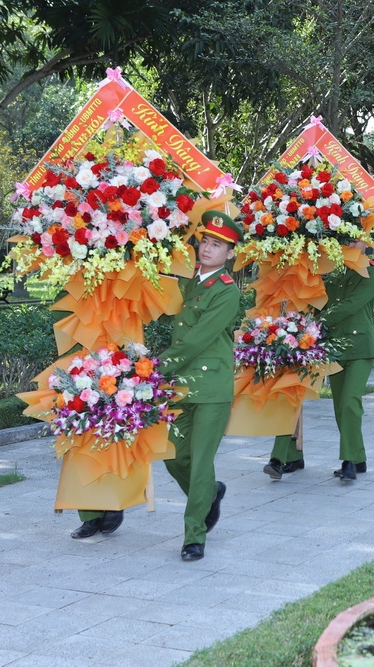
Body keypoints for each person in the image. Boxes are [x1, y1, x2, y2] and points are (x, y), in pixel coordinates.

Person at [157, 210, 241, 561]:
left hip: (211, 385)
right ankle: (209, 494)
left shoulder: (227, 291)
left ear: (230, 253)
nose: (207, 248)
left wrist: (156, 368)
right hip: (181, 386)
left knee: (201, 461)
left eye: (217, 244)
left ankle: (194, 535)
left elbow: (196, 340)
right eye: (204, 241)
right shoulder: (187, 281)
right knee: (175, 458)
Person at [322, 241, 374, 481]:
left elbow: (350, 305)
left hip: (360, 347)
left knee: (350, 402)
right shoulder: (334, 269)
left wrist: (319, 321)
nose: (350, 244)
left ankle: (348, 461)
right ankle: (359, 458)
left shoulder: (373, 271)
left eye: (355, 239)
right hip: (335, 346)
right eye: (346, 239)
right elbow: (319, 298)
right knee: (340, 407)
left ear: (366, 242)